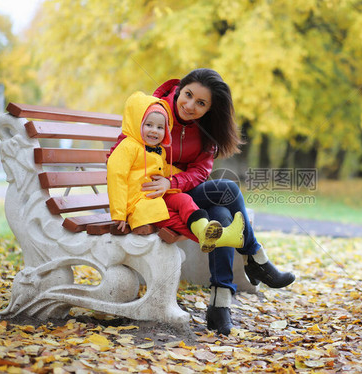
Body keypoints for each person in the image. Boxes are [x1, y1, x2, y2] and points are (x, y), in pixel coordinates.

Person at [108, 69, 295, 335]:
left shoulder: (206, 129)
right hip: (150, 198)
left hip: (180, 193)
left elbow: (200, 172)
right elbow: (118, 155)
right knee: (225, 201)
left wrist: (171, 183)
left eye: (201, 103)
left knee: (224, 203)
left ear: (209, 109)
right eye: (188, 95)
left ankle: (224, 299)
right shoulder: (152, 112)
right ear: (180, 89)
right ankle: (250, 262)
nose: (190, 106)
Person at [107, 91, 246, 253]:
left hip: (158, 195)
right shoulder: (128, 147)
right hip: (140, 205)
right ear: (137, 123)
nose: (154, 131)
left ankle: (205, 228)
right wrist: (119, 214)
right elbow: (116, 177)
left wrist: (179, 176)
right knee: (175, 219)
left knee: (183, 199)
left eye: (160, 127)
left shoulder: (157, 151)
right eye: (148, 125)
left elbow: (166, 169)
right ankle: (216, 237)